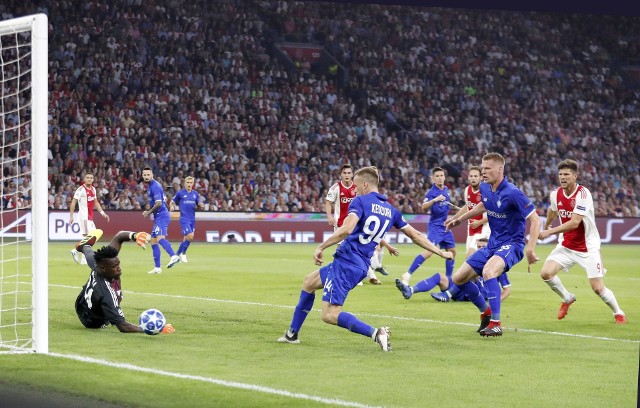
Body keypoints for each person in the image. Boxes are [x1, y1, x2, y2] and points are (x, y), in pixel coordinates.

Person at [277, 166, 453, 351]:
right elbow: (416, 235)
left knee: (329, 315)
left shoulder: (360, 202)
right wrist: (440, 252)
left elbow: (346, 229)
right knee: (309, 282)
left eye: (355, 185)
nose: (354, 189)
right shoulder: (391, 210)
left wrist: (321, 246)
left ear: (365, 184)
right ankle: (292, 334)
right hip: (359, 264)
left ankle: (376, 333)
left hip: (347, 262)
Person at [444, 152, 541, 337]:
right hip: (492, 245)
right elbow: (484, 205)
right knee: (458, 278)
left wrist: (530, 248)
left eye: (487, 168)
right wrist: (460, 219)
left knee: (489, 271)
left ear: (500, 169)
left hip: (512, 245)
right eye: (482, 168)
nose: (483, 172)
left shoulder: (513, 193)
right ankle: (486, 312)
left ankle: (496, 323)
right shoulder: (485, 188)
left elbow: (536, 220)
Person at [538, 159, 626, 324]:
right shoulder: (555, 194)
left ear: (575, 176)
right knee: (546, 273)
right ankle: (567, 297)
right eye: (560, 174)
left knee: (598, 288)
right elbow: (553, 209)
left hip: (588, 247)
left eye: (566, 174)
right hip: (566, 245)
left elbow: (574, 222)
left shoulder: (583, 194)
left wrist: (549, 231)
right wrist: (548, 222)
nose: (562, 178)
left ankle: (618, 312)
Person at [74, 229, 176, 334]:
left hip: (81, 303)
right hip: (93, 321)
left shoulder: (99, 264)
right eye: (114, 266)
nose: (119, 268)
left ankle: (84, 245)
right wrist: (154, 329)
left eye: (118, 264)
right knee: (115, 299)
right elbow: (123, 327)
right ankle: (84, 246)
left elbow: (120, 236)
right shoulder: (106, 293)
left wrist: (135, 235)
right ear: (103, 268)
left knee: (88, 250)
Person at [325, 163, 386, 285]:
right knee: (342, 252)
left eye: (349, 173)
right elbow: (328, 201)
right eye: (344, 173)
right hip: (341, 225)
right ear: (341, 175)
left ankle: (366, 274)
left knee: (356, 250)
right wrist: (330, 216)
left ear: (352, 174)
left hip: (356, 223)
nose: (347, 175)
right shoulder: (336, 187)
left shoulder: (357, 187)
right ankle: (347, 274)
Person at [397, 237, 511, 302]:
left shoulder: (498, 263)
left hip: (478, 293)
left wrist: (496, 301)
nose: (480, 249)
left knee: (471, 273)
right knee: (439, 277)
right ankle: (410, 290)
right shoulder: (477, 258)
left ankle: (447, 295)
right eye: (479, 246)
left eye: (483, 247)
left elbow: (507, 290)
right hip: (462, 289)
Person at [401, 167, 456, 285]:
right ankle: (408, 274)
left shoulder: (446, 189)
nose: (440, 178)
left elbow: (445, 205)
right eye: (437, 176)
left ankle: (448, 279)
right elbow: (424, 206)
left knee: (452, 251)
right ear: (433, 178)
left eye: (441, 175)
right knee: (429, 252)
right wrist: (435, 200)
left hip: (445, 226)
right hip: (435, 226)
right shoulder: (432, 193)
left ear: (444, 177)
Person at [142, 167, 180, 274]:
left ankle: (174, 256)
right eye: (144, 175)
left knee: (159, 238)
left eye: (148, 175)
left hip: (162, 215)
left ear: (152, 175)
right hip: (158, 216)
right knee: (153, 241)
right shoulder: (150, 186)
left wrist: (148, 212)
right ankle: (157, 268)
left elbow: (158, 203)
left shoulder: (155, 186)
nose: (146, 177)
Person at [69, 172, 110, 265]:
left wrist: (103, 213)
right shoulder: (81, 190)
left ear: (93, 179)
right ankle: (84, 259)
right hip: (83, 217)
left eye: (91, 178)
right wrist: (71, 216)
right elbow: (73, 202)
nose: (89, 179)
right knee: (86, 237)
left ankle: (75, 250)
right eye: (87, 178)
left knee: (93, 237)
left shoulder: (93, 189)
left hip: (90, 218)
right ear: (84, 179)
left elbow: (96, 202)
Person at [170, 176, 204, 263]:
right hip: (184, 218)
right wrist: (172, 206)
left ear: (193, 183)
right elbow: (173, 201)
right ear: (184, 183)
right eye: (187, 183)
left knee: (186, 238)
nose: (189, 184)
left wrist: (201, 205)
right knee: (190, 236)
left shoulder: (195, 194)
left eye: (191, 183)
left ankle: (176, 255)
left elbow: (199, 203)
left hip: (192, 219)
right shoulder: (180, 193)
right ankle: (183, 253)